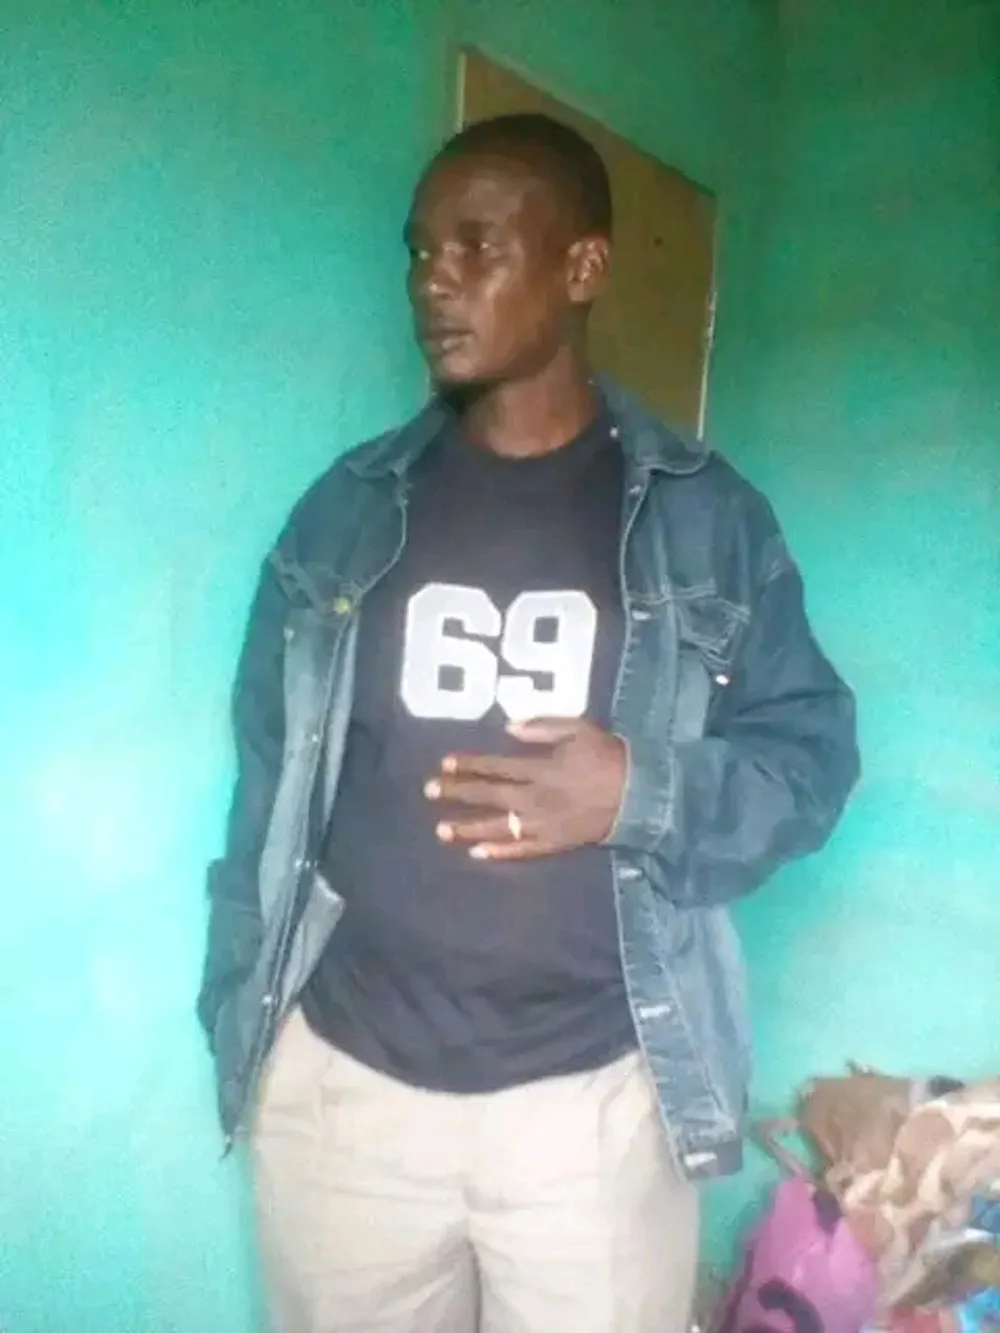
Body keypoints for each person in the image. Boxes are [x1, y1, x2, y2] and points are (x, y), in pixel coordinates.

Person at [197, 112, 860, 1333]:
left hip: (591, 1110)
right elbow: (267, 771)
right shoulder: (344, 510)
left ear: (582, 267)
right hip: (346, 1099)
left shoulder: (707, 521)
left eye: (477, 246)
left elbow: (810, 758)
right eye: (419, 251)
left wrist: (635, 791)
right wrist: (245, 1010)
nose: (433, 280)